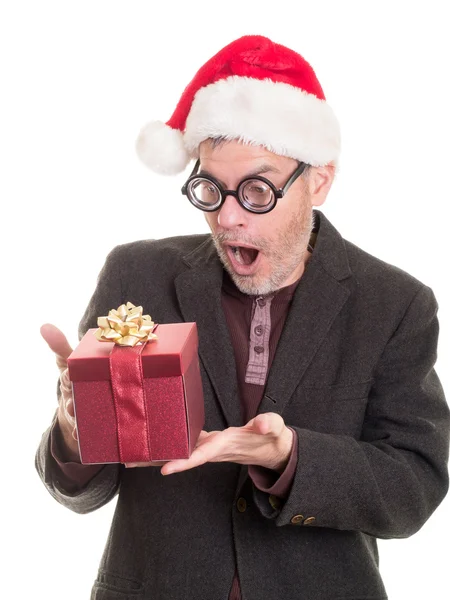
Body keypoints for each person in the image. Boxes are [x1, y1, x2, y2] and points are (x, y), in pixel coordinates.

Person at [36, 35, 450, 600]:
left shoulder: (395, 304)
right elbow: (80, 492)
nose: (228, 218)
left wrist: (290, 458)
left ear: (319, 181)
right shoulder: (137, 275)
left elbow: (412, 489)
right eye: (210, 188)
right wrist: (75, 433)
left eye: (257, 189)